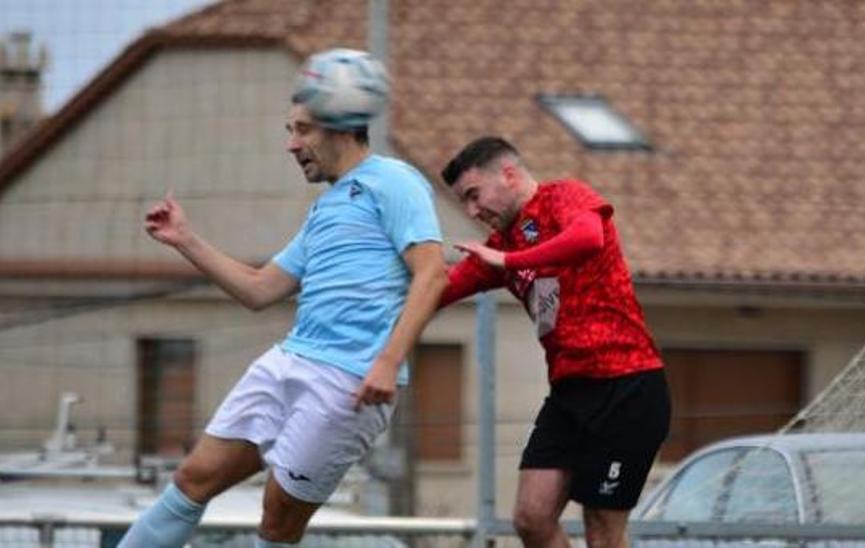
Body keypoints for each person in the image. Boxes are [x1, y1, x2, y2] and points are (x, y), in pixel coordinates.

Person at [120, 54, 448, 547]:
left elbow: (432, 274)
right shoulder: (325, 209)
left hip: (349, 380)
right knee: (193, 478)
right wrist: (185, 239)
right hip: (289, 362)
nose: (291, 144)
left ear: (340, 125)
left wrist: (386, 362)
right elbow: (259, 288)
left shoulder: (395, 182)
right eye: (290, 130)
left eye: (302, 130)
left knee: (277, 521)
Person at [438, 136, 671, 548]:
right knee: (531, 517)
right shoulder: (500, 246)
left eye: (474, 196)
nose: (473, 212)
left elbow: (588, 238)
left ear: (508, 175)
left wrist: (510, 262)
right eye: (465, 204)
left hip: (628, 386)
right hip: (569, 394)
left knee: (602, 529)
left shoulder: (563, 196)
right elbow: (439, 289)